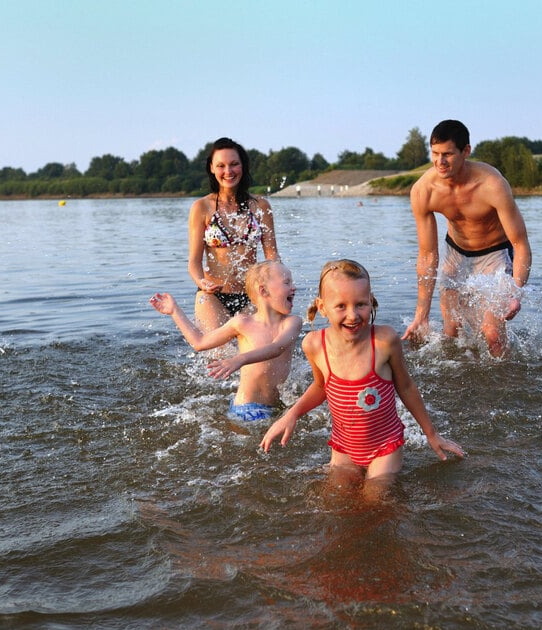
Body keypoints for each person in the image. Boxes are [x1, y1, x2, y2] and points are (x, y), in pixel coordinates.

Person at [260, 259, 464, 488]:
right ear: (322, 307)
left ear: (371, 301)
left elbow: (405, 387)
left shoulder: (384, 341)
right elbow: (321, 387)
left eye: (360, 304)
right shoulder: (314, 345)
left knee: (375, 501)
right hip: (343, 447)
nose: (352, 315)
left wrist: (432, 434)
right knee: (336, 499)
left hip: (385, 448)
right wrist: (292, 414)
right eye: (341, 306)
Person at [402, 119, 532, 357]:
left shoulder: (492, 185)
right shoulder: (424, 191)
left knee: (491, 332)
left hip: (495, 253)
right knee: (451, 332)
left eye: (448, 154)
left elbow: (520, 243)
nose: (440, 162)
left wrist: (515, 291)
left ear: (466, 151)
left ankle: (507, 382)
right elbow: (428, 255)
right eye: (435, 153)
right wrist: (421, 315)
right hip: (456, 253)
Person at [150, 260, 302, 422]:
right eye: (287, 282)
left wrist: (239, 359)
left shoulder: (292, 322)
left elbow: (277, 347)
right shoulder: (242, 323)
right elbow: (199, 342)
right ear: (263, 291)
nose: (293, 287)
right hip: (248, 407)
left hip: (280, 406)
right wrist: (175, 312)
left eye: (291, 282)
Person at [188, 137, 278, 333]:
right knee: (218, 357)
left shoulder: (261, 206)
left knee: (254, 356)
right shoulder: (201, 208)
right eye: (221, 165)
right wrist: (201, 282)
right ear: (212, 168)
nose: (228, 171)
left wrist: (280, 285)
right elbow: (194, 262)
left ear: (243, 166)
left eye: (234, 164)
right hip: (212, 296)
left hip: (253, 295)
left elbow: (272, 256)